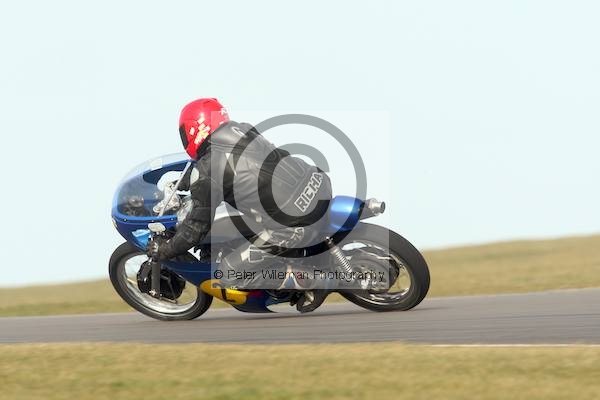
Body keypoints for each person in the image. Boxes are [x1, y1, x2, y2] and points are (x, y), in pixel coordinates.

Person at [148, 98, 332, 312]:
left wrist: (166, 250)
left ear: (195, 129)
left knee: (228, 274)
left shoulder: (207, 170)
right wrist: (186, 181)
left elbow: (196, 229)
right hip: (318, 185)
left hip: (294, 225)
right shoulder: (242, 130)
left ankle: (313, 281)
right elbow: (244, 167)